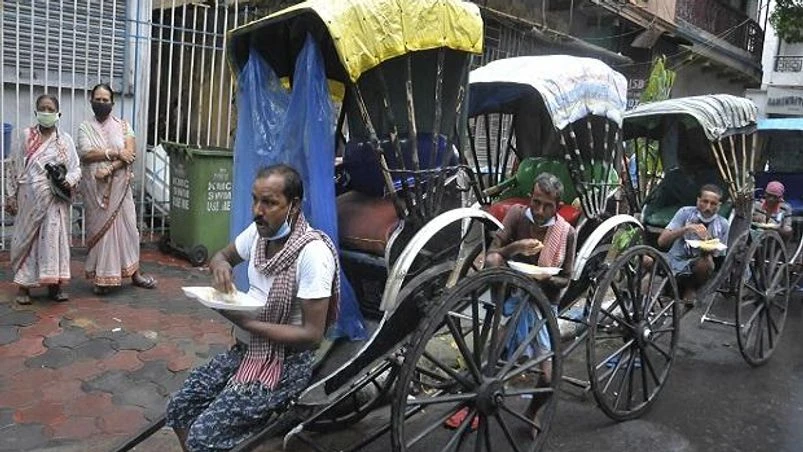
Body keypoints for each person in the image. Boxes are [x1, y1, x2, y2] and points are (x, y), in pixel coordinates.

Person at [166, 164, 339, 452]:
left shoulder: (313, 254)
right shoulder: (258, 234)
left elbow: (312, 335)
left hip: (285, 364)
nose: (257, 210)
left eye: (269, 202)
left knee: (204, 437)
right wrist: (220, 266)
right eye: (255, 199)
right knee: (180, 406)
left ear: (294, 206)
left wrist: (248, 324)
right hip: (247, 351)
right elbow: (223, 255)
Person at [487, 172, 577, 437]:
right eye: (536, 202)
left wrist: (548, 276)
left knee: (548, 377)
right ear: (530, 198)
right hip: (510, 294)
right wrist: (516, 247)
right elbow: (493, 253)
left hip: (543, 302)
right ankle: (503, 325)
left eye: (547, 205)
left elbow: (565, 278)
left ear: (557, 206)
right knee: (493, 263)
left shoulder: (566, 232)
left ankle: (532, 412)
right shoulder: (516, 215)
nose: (539, 210)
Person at [76, 83, 156, 294]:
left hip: (120, 189)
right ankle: (102, 278)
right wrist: (113, 153)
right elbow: (86, 153)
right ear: (91, 101)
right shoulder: (85, 127)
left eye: (105, 100)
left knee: (129, 229)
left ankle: (135, 273)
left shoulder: (123, 126)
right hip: (95, 190)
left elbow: (129, 154)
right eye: (98, 99)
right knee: (102, 233)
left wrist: (111, 166)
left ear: (112, 103)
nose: (101, 103)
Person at [4, 94, 81, 305]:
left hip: (55, 202)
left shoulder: (65, 141)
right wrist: (10, 196)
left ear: (58, 114)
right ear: (37, 112)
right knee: (28, 241)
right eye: (42, 109)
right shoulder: (26, 136)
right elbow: (13, 166)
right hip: (30, 199)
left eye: (50, 109)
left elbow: (76, 169)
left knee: (53, 241)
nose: (46, 113)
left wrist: (68, 180)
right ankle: (24, 287)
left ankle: (54, 286)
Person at [657, 183, 729, 302]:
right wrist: (685, 229)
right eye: (704, 202)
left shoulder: (723, 224)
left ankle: (691, 287)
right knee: (645, 260)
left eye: (713, 204)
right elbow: (661, 242)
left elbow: (719, 257)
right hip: (674, 259)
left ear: (719, 206)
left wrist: (709, 246)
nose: (708, 207)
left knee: (706, 262)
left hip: (697, 266)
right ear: (698, 200)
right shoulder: (685, 213)